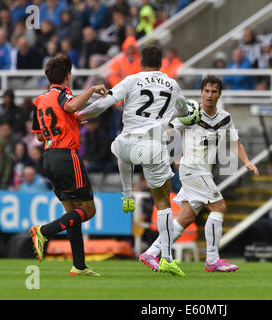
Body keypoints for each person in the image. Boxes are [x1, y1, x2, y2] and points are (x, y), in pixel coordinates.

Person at [77, 45, 200, 277]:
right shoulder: (173, 85)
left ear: (141, 62)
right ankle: (167, 258)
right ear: (162, 63)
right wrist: (192, 112)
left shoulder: (131, 79)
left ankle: (127, 194)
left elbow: (104, 103)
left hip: (126, 146)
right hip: (154, 149)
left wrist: (79, 116)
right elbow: (185, 112)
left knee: (118, 145)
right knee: (163, 203)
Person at [140, 76, 259, 272]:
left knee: (185, 218)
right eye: (207, 91)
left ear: (219, 94)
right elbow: (171, 129)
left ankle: (151, 252)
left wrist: (246, 161)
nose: (210, 95)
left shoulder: (225, 117)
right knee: (219, 206)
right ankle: (212, 259)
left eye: (214, 91)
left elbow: (234, 141)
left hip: (204, 172)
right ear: (201, 93)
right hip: (192, 169)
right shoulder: (191, 114)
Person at [29, 54, 107, 276]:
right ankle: (43, 231)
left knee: (71, 211)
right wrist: (90, 91)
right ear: (68, 76)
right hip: (66, 156)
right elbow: (71, 105)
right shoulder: (62, 93)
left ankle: (79, 265)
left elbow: (40, 137)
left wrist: (72, 123)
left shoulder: (39, 100)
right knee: (88, 210)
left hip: (49, 158)